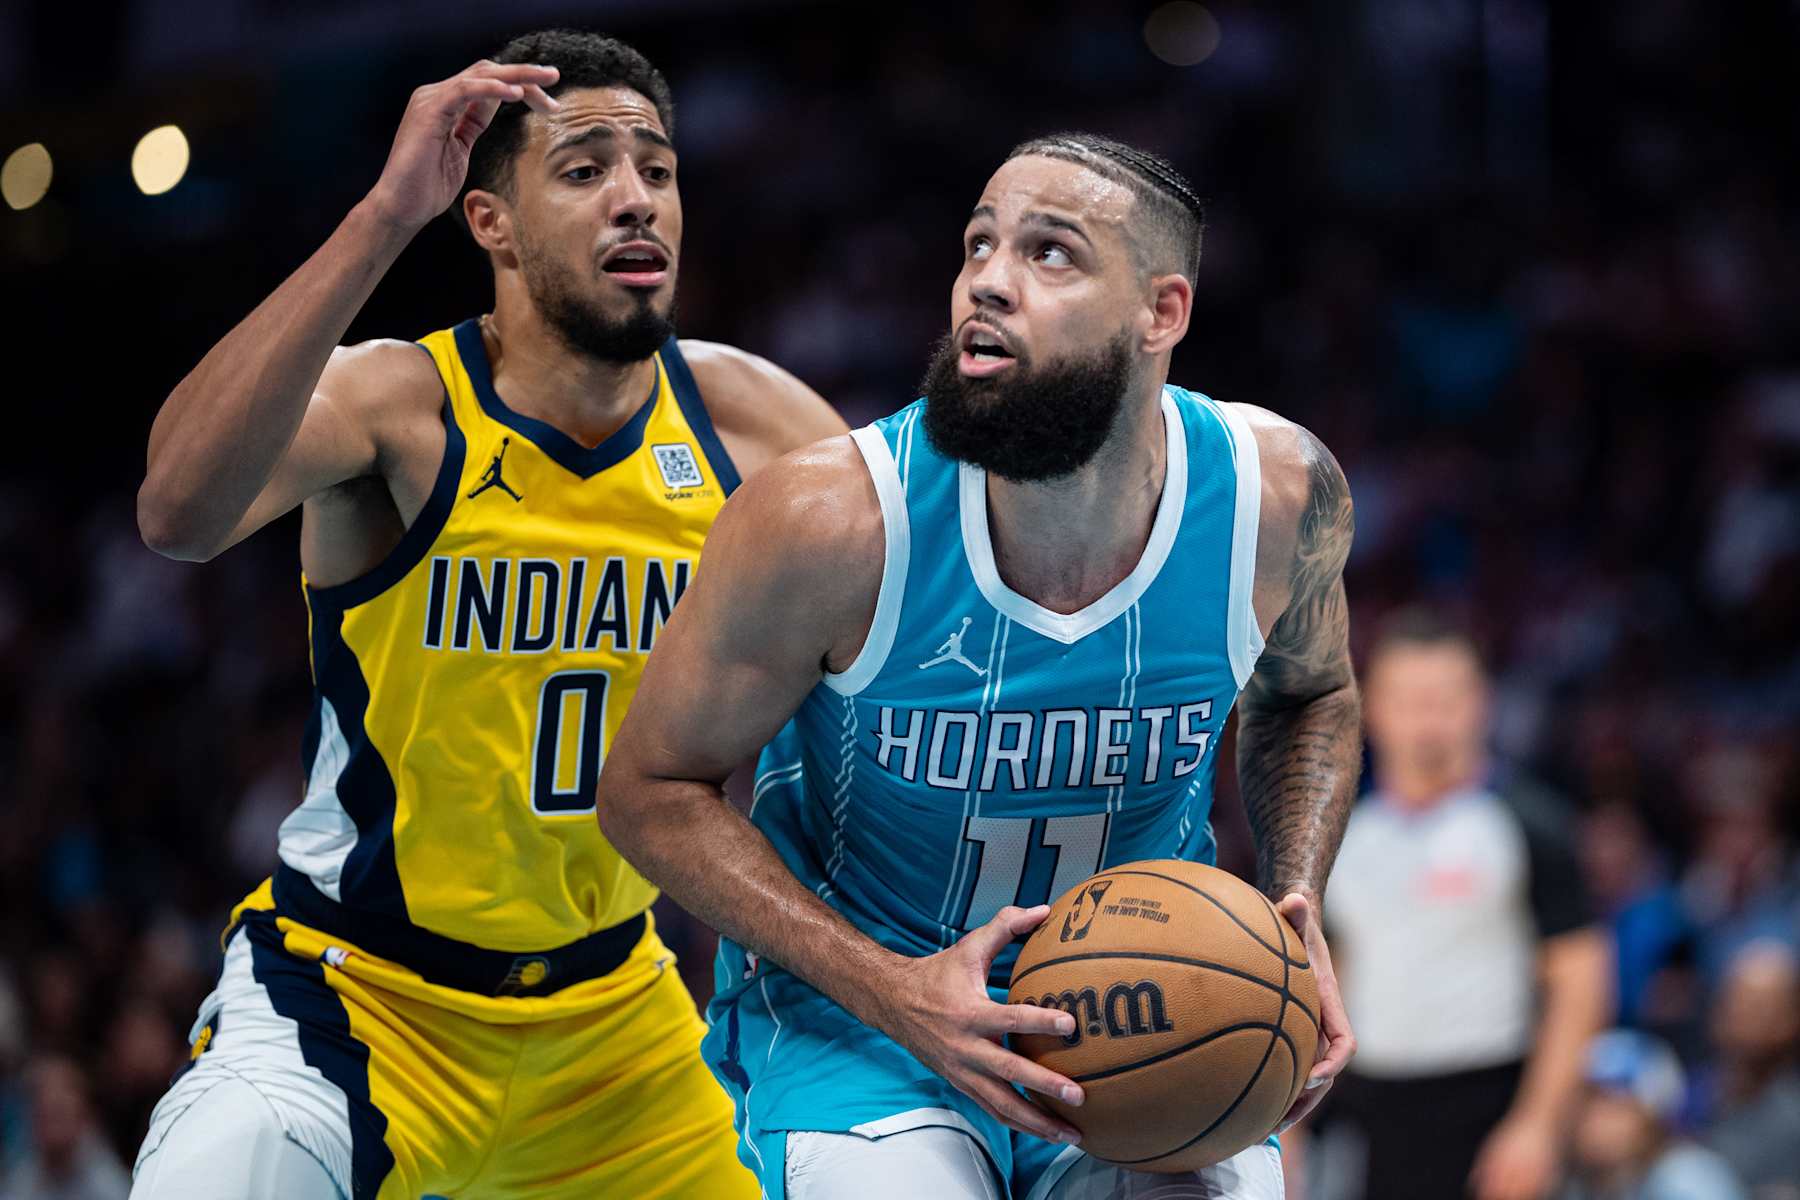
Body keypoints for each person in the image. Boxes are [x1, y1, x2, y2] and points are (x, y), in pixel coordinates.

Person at [130, 28, 843, 1200]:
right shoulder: (400, 406)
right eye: (584, 170)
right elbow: (176, 509)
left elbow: (918, 657)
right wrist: (381, 214)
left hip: (614, 1026)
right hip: (357, 1000)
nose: (635, 200)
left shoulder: (760, 429)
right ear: (488, 225)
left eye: (656, 170)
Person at [598, 132, 1363, 1198]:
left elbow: (1313, 689)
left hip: (1142, 1010)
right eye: (979, 245)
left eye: (1052, 254)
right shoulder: (830, 519)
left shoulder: (1277, 497)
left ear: (1162, 313)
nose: (988, 283)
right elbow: (648, 790)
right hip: (859, 1036)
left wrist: (1294, 899)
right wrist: (893, 988)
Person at [1324, 612, 1611, 1200]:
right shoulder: (1339, 835)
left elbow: (1580, 987)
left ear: (1482, 702)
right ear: (1371, 706)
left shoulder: (1531, 822)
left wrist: (1538, 1126)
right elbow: (1326, 984)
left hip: (1489, 1106)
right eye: (1408, 699)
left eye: (1446, 699)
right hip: (1367, 1111)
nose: (1428, 720)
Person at [1563, 1030, 1746, 1200]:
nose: (1596, 1120)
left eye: (1617, 1105)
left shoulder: (1686, 1180)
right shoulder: (1584, 1182)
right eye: (1589, 1101)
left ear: (1655, 1118)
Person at [1703, 941, 1800, 1198]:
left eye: (1761, 1006)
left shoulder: (1793, 1118)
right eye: (1735, 1001)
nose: (1744, 1016)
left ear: (1793, 1018)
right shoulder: (1687, 1099)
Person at [0, 1057, 129, 1200]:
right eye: (44, 1115)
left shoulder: (110, 1185)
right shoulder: (19, 1180)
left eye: (59, 1113)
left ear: (84, 1116)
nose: (52, 1129)